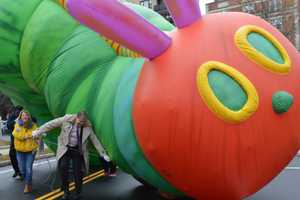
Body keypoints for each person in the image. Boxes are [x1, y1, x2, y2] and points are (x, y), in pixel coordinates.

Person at [32, 111, 111, 200]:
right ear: (76, 118)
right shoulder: (66, 119)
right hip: (65, 148)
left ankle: (78, 193)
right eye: (79, 122)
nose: (81, 124)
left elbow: (95, 140)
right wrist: (38, 131)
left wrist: (103, 154)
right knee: (63, 167)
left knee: (78, 172)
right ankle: (66, 191)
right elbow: (50, 124)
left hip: (77, 151)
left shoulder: (87, 127)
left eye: (83, 122)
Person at [13, 110, 38, 194]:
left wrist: (37, 135)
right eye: (23, 115)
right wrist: (25, 136)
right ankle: (26, 180)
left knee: (28, 169)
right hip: (19, 151)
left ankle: (28, 185)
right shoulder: (17, 124)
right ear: (20, 117)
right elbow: (15, 134)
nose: (24, 116)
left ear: (29, 117)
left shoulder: (33, 125)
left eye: (26, 115)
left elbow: (36, 135)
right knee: (22, 169)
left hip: (30, 151)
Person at [7, 106, 23, 179]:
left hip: (24, 140)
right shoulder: (13, 116)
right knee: (12, 154)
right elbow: (8, 125)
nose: (19, 113)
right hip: (14, 139)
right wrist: (15, 121)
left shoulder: (26, 116)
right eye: (18, 111)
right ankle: (17, 171)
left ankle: (22, 171)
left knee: (23, 155)